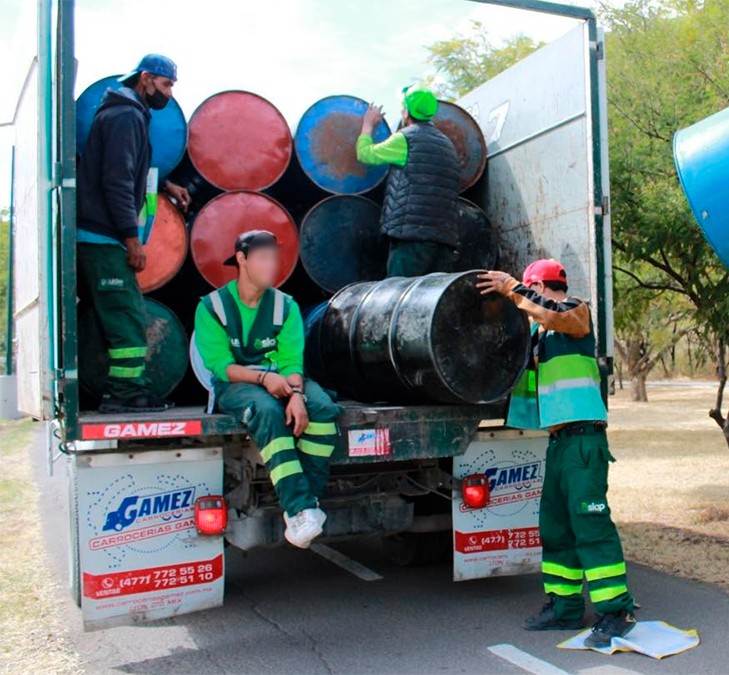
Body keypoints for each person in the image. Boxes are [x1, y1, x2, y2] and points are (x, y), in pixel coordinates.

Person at [477, 260, 637, 649]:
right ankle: (564, 608)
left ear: (541, 287)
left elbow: (553, 314)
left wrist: (512, 287)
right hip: (560, 442)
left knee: (590, 525)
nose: (523, 308)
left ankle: (616, 611)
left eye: (527, 295)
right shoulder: (541, 338)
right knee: (555, 527)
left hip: (584, 441)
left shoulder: (575, 314)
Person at [193, 231, 341, 549]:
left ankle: (306, 503)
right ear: (242, 260)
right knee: (269, 412)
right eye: (263, 257)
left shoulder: (286, 306)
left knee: (325, 409)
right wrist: (263, 381)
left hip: (283, 380)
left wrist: (298, 396)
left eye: (274, 257)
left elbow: (290, 360)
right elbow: (221, 365)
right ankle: (299, 508)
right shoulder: (212, 306)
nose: (271, 264)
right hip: (238, 384)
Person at [76, 53, 191, 413]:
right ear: (145, 78)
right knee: (126, 316)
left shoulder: (126, 113)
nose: (169, 94)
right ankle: (125, 395)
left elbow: (126, 167)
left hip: (102, 235)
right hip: (105, 237)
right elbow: (116, 180)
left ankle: (123, 391)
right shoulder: (126, 115)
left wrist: (165, 184)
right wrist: (130, 239)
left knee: (118, 314)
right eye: (166, 84)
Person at [356, 86, 459, 278]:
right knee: (433, 303)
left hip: (412, 238)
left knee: (400, 297)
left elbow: (365, 154)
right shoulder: (447, 144)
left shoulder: (406, 139)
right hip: (444, 240)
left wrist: (367, 125)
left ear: (407, 111)